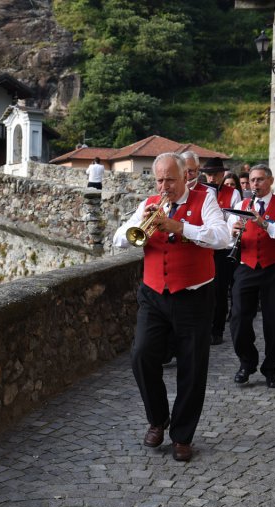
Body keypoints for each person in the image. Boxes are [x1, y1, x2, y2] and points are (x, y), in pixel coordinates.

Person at [113, 152, 230, 461]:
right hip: (154, 294)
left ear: (185, 177)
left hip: (194, 295)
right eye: (160, 180)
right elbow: (118, 240)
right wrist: (141, 222)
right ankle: (157, 419)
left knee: (192, 367)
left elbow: (222, 237)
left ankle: (182, 436)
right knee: (141, 354)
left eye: (170, 180)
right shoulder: (148, 203)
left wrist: (179, 227)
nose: (164, 186)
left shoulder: (205, 199)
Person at [225, 164, 275, 388]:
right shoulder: (241, 204)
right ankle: (247, 362)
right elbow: (229, 236)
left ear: (270, 180)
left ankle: (271, 369)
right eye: (253, 180)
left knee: (274, 322)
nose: (255, 184)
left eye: (260, 180)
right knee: (237, 318)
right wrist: (234, 230)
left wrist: (265, 224)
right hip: (247, 265)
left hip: (274, 267)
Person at [202, 156, 241, 346]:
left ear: (222, 174)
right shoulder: (200, 192)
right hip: (204, 246)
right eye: (209, 175)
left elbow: (233, 219)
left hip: (223, 247)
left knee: (220, 289)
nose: (212, 178)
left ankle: (217, 329)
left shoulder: (233, 194)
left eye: (215, 174)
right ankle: (203, 327)